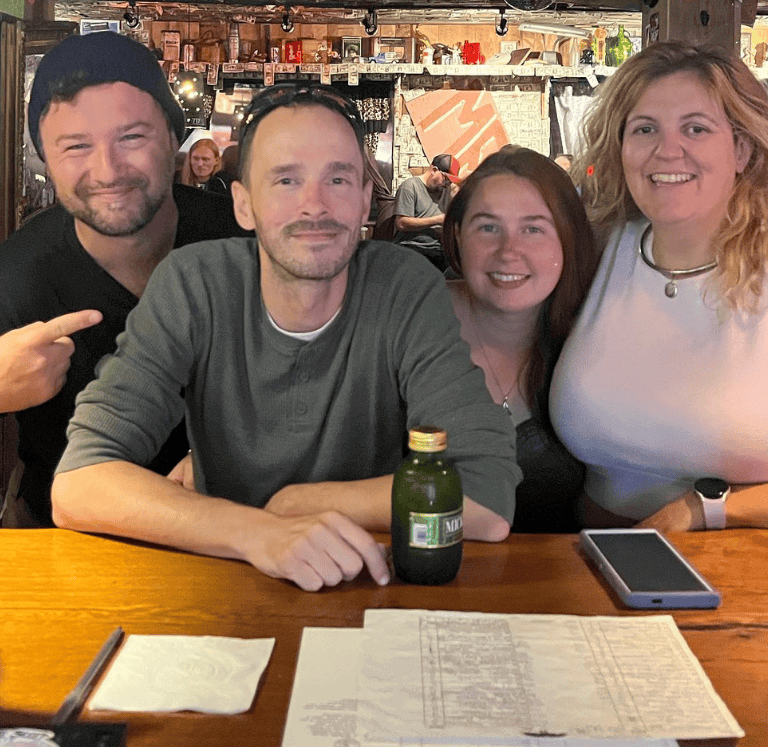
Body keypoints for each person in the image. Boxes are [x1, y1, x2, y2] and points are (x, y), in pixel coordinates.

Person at [51, 84, 520, 591]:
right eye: (286, 180)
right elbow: (79, 483)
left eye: (338, 179)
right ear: (243, 205)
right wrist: (258, 533)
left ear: (365, 200)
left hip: (363, 584)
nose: (314, 205)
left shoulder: (403, 286)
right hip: (221, 585)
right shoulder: (195, 283)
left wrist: (299, 503)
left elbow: (488, 498)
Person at [0, 30, 248, 527]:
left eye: (132, 137)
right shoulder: (19, 274)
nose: (107, 170)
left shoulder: (246, 246)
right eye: (75, 146)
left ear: (174, 137)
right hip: (69, 540)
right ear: (45, 160)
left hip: (243, 529)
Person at [550, 41, 768, 532]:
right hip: (592, 559)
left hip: (742, 566)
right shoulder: (599, 248)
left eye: (696, 128)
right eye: (645, 129)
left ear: (741, 149)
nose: (667, 150)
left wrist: (702, 509)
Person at [442, 147, 598, 532]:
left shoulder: (591, 341)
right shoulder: (412, 325)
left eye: (533, 229)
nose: (509, 251)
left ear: (568, 239)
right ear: (458, 235)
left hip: (553, 569)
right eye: (488, 227)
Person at [392, 153, 460, 270]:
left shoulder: (447, 191)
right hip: (412, 246)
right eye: (446, 180)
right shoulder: (410, 186)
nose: (447, 184)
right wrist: (437, 220)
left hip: (438, 250)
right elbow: (401, 223)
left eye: (450, 182)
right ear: (434, 170)